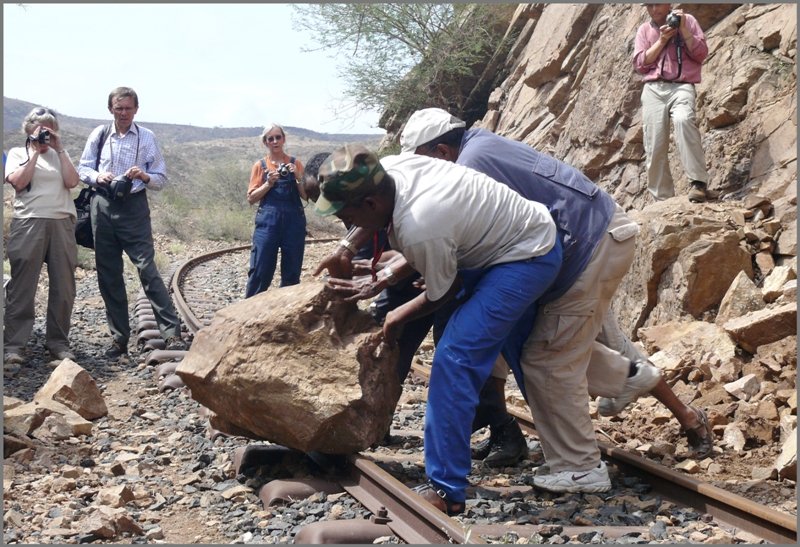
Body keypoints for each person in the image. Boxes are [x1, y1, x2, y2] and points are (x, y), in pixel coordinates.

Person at [399, 108, 714, 471]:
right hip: (584, 243)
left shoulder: (469, 166)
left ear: (440, 151)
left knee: (557, 355)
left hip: (583, 248)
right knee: (553, 343)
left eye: (422, 164)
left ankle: (595, 455)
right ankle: (628, 394)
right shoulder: (480, 146)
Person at [315, 144, 562, 515]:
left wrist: (395, 316)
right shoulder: (388, 170)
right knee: (523, 353)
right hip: (493, 243)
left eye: (345, 214)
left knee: (454, 356)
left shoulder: (420, 225)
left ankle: (446, 490)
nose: (343, 221)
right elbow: (405, 244)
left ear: (369, 204)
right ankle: (566, 452)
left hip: (524, 256)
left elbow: (440, 293)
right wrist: (347, 247)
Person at [304, 154, 527, 463]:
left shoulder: (395, 199)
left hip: (442, 279)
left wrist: (391, 274)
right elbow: (396, 254)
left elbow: (423, 244)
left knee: (458, 358)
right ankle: (372, 425)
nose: (341, 219)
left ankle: (504, 433)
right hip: (408, 281)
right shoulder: (364, 208)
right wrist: (354, 257)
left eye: (335, 205)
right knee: (387, 354)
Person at [78, 86, 185, 358]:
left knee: (148, 270)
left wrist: (144, 176)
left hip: (134, 207)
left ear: (136, 109)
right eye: (118, 108)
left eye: (128, 108)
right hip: (102, 206)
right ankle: (118, 339)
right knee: (109, 274)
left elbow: (160, 177)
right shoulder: (99, 134)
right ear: (110, 109)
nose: (123, 113)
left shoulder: (147, 137)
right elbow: (83, 168)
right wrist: (98, 177)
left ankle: (172, 334)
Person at [4, 107, 80, 367]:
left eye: (50, 128)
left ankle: (58, 343)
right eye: (40, 128)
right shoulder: (17, 153)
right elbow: (18, 182)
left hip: (61, 223)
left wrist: (60, 149)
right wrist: (35, 153)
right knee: (22, 286)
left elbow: (72, 182)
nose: (45, 132)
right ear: (28, 130)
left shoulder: (61, 154)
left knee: (64, 286)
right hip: (28, 223)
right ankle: (14, 345)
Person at [634, 3, 710, 203]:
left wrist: (683, 29)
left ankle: (698, 183)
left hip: (682, 85)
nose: (653, 9)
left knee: (684, 120)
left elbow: (701, 53)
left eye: (657, 4)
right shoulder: (644, 29)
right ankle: (662, 199)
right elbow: (641, 64)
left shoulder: (688, 20)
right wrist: (662, 40)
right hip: (653, 89)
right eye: (649, 5)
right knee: (654, 143)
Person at [244, 124, 308, 297]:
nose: (275, 141)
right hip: (267, 224)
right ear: (265, 142)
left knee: (292, 273)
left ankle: (286, 314)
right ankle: (248, 313)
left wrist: (298, 178)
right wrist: (268, 183)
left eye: (278, 137)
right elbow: (251, 198)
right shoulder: (260, 165)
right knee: (260, 271)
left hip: (294, 224)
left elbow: (306, 197)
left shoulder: (295, 164)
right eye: (270, 138)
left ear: (284, 139)